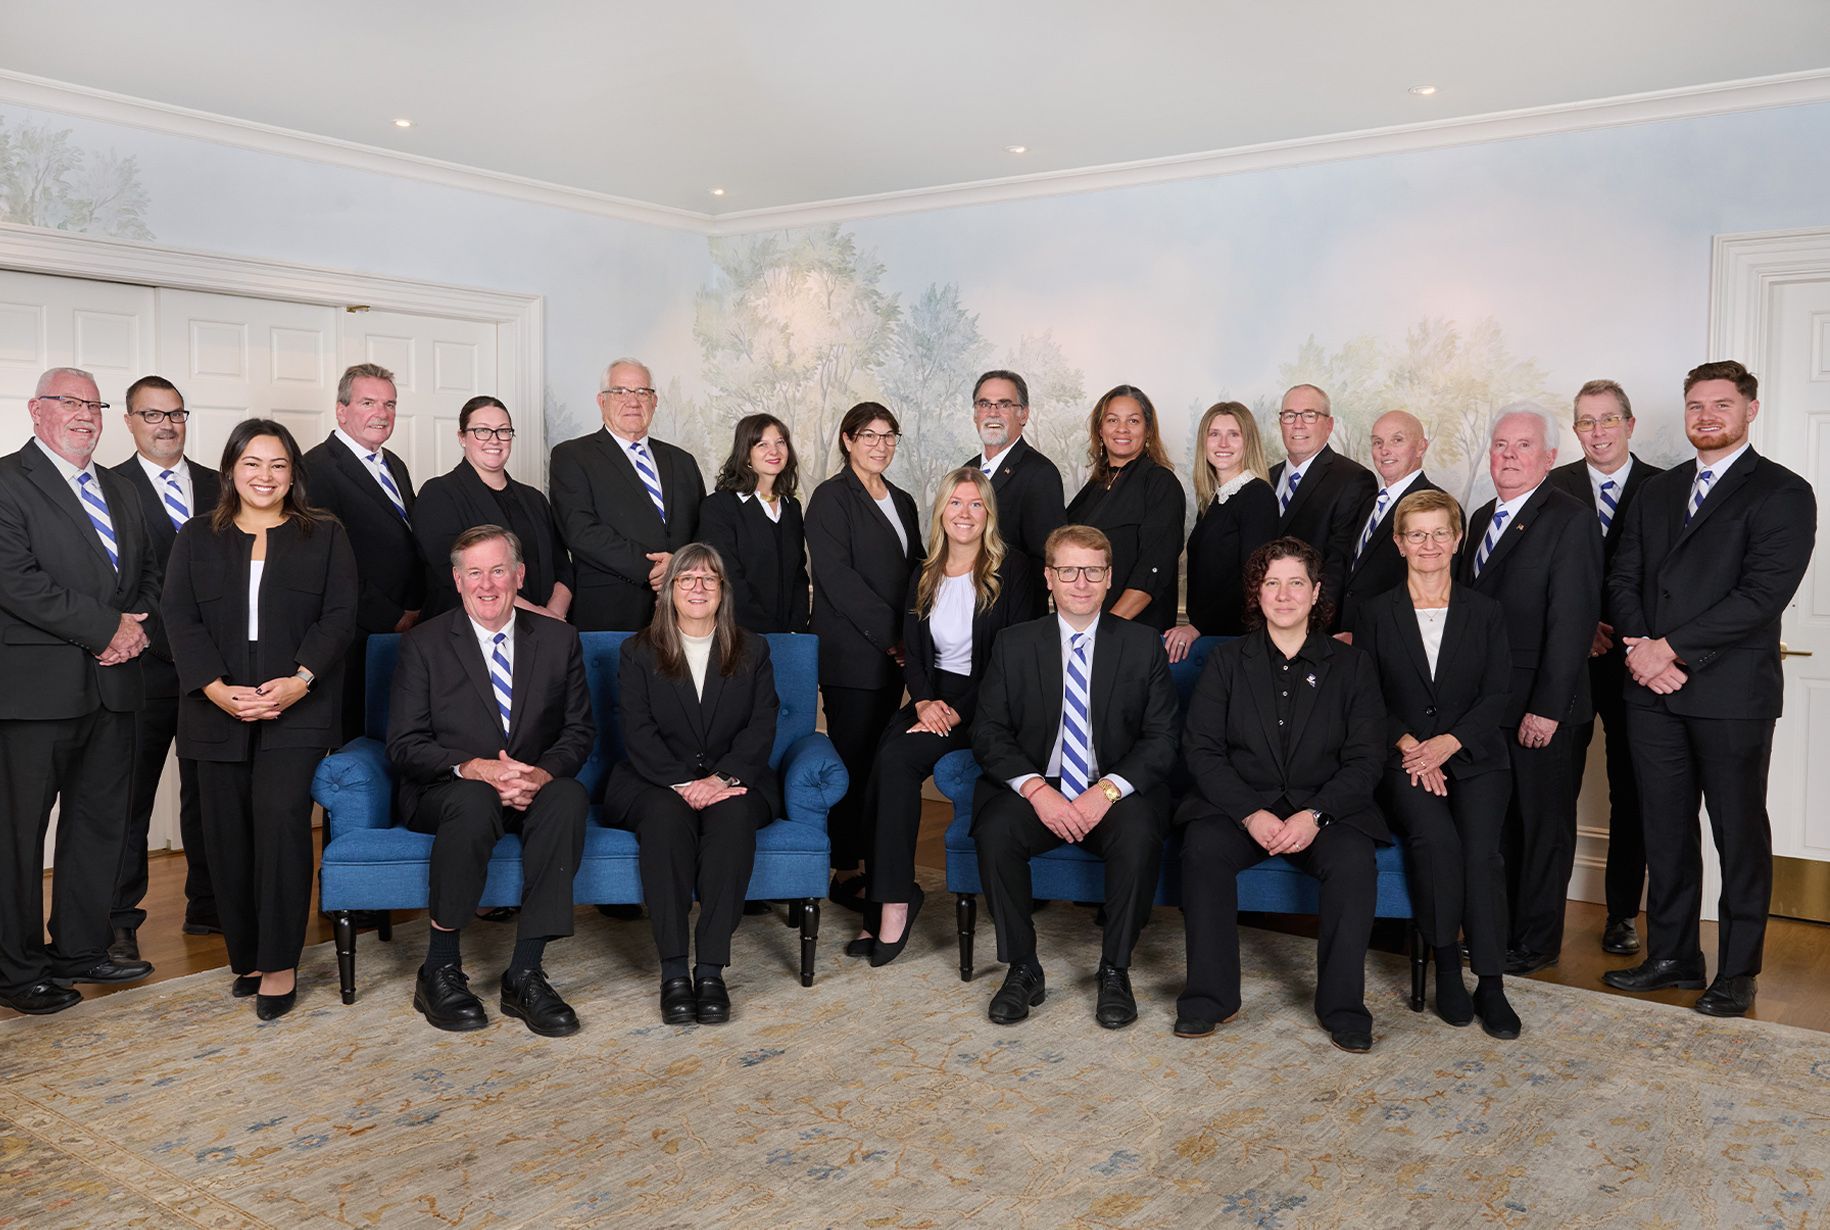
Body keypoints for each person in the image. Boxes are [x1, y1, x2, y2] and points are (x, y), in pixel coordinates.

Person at [1604, 360, 1816, 1018]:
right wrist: (1642, 650)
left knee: (1737, 833)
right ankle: (1673, 956)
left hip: (1730, 695)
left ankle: (1738, 971)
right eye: (1696, 405)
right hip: (1651, 692)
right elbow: (1623, 578)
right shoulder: (1658, 491)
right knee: (1665, 830)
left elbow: (1760, 595)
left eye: (1720, 404)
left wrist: (1671, 650)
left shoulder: (1783, 492)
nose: (1705, 417)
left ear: (1750, 409)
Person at [162, 419, 357, 1020]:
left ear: (293, 473)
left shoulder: (322, 533)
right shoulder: (196, 536)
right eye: (252, 463)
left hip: (295, 710)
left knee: (279, 826)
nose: (264, 476)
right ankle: (244, 955)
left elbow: (339, 614)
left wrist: (299, 683)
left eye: (277, 465)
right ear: (230, 471)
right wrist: (217, 690)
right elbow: (179, 617)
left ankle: (279, 962)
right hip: (213, 709)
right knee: (223, 835)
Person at [1174, 538, 1388, 1052]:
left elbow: (1366, 759)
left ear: (1316, 593)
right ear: (1257, 593)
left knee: (1354, 862)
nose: (1284, 595)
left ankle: (1342, 1007)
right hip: (1240, 806)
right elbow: (1201, 750)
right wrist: (1249, 813)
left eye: (1296, 583)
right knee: (1201, 852)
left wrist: (1316, 814)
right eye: (1272, 583)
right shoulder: (1225, 662)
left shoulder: (1351, 666)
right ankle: (1211, 997)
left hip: (1324, 811)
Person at [386, 525, 593, 1036]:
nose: (487, 584)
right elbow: (404, 744)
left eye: (498, 570)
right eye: (474, 572)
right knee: (475, 800)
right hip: (447, 789)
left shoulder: (558, 638)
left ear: (519, 576)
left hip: (530, 785)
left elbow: (578, 730)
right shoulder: (425, 644)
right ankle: (439, 967)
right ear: (457, 581)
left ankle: (524, 973)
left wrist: (537, 776)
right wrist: (479, 768)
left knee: (568, 796)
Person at [970, 524, 1179, 1029]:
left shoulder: (1141, 644)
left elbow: (1162, 738)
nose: (1080, 582)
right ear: (1049, 577)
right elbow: (990, 732)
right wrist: (1038, 791)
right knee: (995, 829)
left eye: (1092, 571)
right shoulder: (1014, 643)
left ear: (1109, 579)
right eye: (1068, 570)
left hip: (1112, 790)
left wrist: (1105, 793)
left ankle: (1115, 969)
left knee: (1138, 831)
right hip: (1040, 787)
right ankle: (1023, 967)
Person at [0, 367, 159, 1015]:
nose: (85, 414)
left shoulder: (120, 488)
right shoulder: (9, 482)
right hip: (35, 694)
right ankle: (15, 970)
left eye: (94, 404)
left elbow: (148, 571)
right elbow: (15, 579)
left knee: (98, 825)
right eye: (70, 402)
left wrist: (133, 630)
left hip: (114, 686)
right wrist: (104, 629)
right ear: (37, 410)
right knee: (17, 836)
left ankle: (79, 948)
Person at [1351, 491, 1520, 1039]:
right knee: (1435, 843)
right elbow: (1367, 696)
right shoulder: (1376, 613)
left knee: (1481, 854)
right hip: (1403, 760)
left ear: (1457, 539)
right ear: (1399, 543)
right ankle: (1446, 966)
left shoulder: (1487, 611)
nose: (1428, 545)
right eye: (1416, 535)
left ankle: (1490, 982)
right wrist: (1410, 747)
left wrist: (1447, 743)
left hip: (1475, 758)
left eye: (1439, 533)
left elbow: (1498, 694)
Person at [856, 468, 1032, 966]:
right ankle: (885, 898)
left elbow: (1010, 656)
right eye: (956, 503)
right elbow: (913, 650)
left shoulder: (1012, 570)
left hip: (988, 702)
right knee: (880, 760)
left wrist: (954, 712)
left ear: (988, 515)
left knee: (897, 762)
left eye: (976, 505)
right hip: (933, 695)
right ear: (942, 512)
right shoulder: (925, 571)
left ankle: (893, 903)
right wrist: (926, 701)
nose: (965, 514)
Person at [604, 544, 783, 1026]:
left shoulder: (753, 649)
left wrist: (720, 780)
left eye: (709, 579)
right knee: (664, 820)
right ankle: (672, 973)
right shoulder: (638, 651)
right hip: (655, 779)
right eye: (687, 579)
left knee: (732, 818)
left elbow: (761, 726)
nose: (698, 588)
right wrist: (687, 783)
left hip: (733, 780)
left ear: (723, 591)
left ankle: (710, 971)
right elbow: (637, 732)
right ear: (668, 591)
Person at [1458, 406, 1602, 975]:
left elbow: (1571, 624)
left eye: (1522, 446)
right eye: (1500, 445)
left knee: (1543, 828)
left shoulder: (1569, 519)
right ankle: (1500, 932)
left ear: (1549, 458)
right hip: (1489, 706)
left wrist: (1547, 709)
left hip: (1544, 707)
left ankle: (1536, 942)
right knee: (1501, 826)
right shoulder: (1479, 517)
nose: (1509, 455)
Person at [1545, 380, 1662, 956]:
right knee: (1552, 788)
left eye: (1608, 420)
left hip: (1636, 665)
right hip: (1566, 663)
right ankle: (1538, 909)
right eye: (1586, 422)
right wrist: (1578, 626)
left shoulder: (1663, 487)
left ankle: (1621, 914)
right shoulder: (1554, 485)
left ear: (1630, 424)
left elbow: (1667, 578)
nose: (1597, 432)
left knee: (1631, 790)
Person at [108, 375, 221, 960]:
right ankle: (119, 921)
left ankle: (209, 905)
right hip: (144, 666)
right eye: (151, 415)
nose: (165, 424)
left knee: (209, 791)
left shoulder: (219, 484)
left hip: (215, 669)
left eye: (174, 413)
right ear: (129, 421)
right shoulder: (108, 487)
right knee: (131, 797)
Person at [804, 402, 923, 908]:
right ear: (848, 440)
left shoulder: (903, 499)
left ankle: (877, 863)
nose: (880, 444)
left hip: (894, 653)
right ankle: (844, 868)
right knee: (851, 761)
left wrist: (911, 637)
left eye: (888, 435)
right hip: (853, 653)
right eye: (869, 435)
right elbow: (837, 579)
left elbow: (917, 569)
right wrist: (891, 637)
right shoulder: (830, 498)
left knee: (881, 761)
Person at [302, 362, 425, 741]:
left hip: (409, 627)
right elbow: (327, 561)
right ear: (342, 410)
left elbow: (409, 541)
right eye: (369, 402)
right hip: (358, 631)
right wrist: (391, 615)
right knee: (357, 740)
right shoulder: (316, 467)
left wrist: (418, 608)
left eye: (389, 404)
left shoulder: (395, 465)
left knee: (403, 734)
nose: (382, 414)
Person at [549, 358, 706, 631]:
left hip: (683, 610)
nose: (633, 401)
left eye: (642, 392)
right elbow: (580, 531)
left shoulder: (683, 462)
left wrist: (680, 568)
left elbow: (703, 528)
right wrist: (653, 570)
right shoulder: (572, 456)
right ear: (602, 401)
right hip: (610, 611)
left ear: (654, 402)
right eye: (620, 392)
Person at [413, 396, 573, 622]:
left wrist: (555, 615)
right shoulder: (439, 494)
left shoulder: (534, 499)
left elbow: (563, 567)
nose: (495, 440)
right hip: (467, 631)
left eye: (503, 431)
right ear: (462, 437)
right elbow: (455, 575)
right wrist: (539, 617)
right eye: (482, 431)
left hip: (543, 632)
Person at [1063, 385, 1186, 632]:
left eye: (1133, 421)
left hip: (1131, 632)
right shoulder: (1094, 488)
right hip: (1085, 631)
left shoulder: (1160, 483)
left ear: (1148, 430)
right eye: (1112, 420)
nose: (1122, 429)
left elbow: (1153, 570)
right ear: (1100, 429)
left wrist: (1106, 629)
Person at [1163, 401, 1278, 662]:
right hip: (1211, 634)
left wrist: (1197, 627)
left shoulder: (1257, 496)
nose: (1222, 443)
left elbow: (1254, 578)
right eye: (1214, 434)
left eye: (1233, 434)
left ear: (1248, 442)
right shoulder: (1216, 499)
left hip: (1235, 640)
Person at [1268, 384, 1378, 608]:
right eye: (1290, 416)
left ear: (1329, 425)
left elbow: (1339, 564)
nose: (1298, 424)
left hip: (1314, 624)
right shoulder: (1266, 478)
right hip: (1261, 621)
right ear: (1281, 423)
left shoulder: (1353, 479)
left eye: (1309, 415)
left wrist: (1314, 625)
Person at [965, 370, 1065, 619]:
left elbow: (1046, 560)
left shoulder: (1040, 473)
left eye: (1005, 404)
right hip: (965, 613)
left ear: (1024, 414)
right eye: (984, 404)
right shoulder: (966, 471)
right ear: (975, 414)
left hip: (1011, 620)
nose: (993, 412)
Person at [699, 413, 810, 633]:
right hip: (739, 634)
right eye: (762, 444)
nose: (774, 451)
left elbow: (798, 575)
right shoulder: (719, 507)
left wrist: (794, 628)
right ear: (746, 455)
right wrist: (767, 631)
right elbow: (727, 579)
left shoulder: (791, 508)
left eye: (780, 442)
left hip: (789, 635)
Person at [1335, 410, 1440, 637]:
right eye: (1377, 442)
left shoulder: (1435, 507)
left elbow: (1431, 595)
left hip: (1393, 644)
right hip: (1349, 640)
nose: (1385, 450)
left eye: (1397, 440)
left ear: (1421, 447)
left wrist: (1364, 636)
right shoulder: (1370, 504)